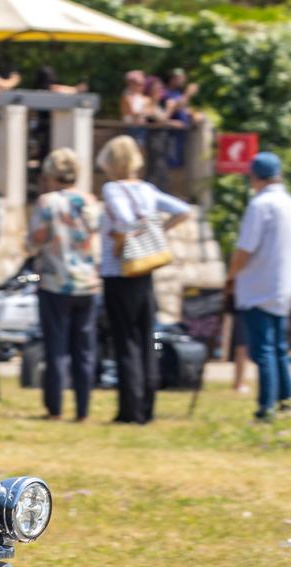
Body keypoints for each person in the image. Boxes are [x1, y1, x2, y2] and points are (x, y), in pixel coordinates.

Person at [97, 134, 190, 424]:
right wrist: (159, 230)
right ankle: (147, 405)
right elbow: (183, 210)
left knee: (125, 340)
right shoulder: (147, 189)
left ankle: (131, 408)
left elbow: (125, 219)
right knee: (145, 336)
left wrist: (124, 235)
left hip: (120, 271)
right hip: (145, 269)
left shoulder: (113, 188)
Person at [27, 147, 101, 421]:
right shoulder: (90, 201)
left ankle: (55, 408)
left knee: (56, 347)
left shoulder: (47, 203)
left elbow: (34, 241)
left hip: (55, 281)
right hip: (87, 283)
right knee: (84, 349)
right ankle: (82, 410)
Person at [227, 152, 291, 421]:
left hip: (258, 286)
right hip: (283, 286)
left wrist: (231, 276)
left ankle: (266, 407)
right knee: (279, 347)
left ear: (255, 177)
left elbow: (245, 249)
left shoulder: (260, 205)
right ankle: (286, 400)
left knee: (263, 350)